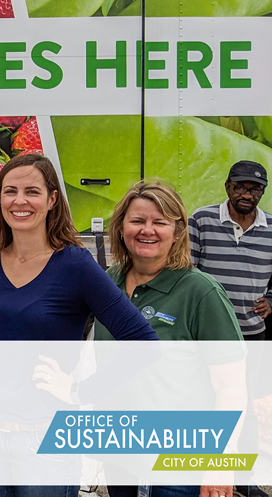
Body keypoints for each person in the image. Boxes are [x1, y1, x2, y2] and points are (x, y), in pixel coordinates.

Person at [0, 154, 158, 497]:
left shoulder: (75, 264)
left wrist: (79, 392)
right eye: (10, 191)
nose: (19, 201)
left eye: (32, 191)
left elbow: (143, 343)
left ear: (51, 200)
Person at [96, 181, 246, 497]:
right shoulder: (107, 283)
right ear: (121, 227)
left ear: (176, 232)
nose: (147, 230)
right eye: (137, 220)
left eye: (159, 222)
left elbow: (231, 387)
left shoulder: (201, 292)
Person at [188, 160, 272, 497]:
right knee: (202, 402)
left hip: (250, 335)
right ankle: (195, 472)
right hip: (206, 336)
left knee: (243, 406)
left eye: (255, 189)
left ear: (262, 193)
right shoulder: (202, 220)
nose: (247, 194)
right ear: (227, 187)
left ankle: (240, 478)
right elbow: (187, 271)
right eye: (240, 186)